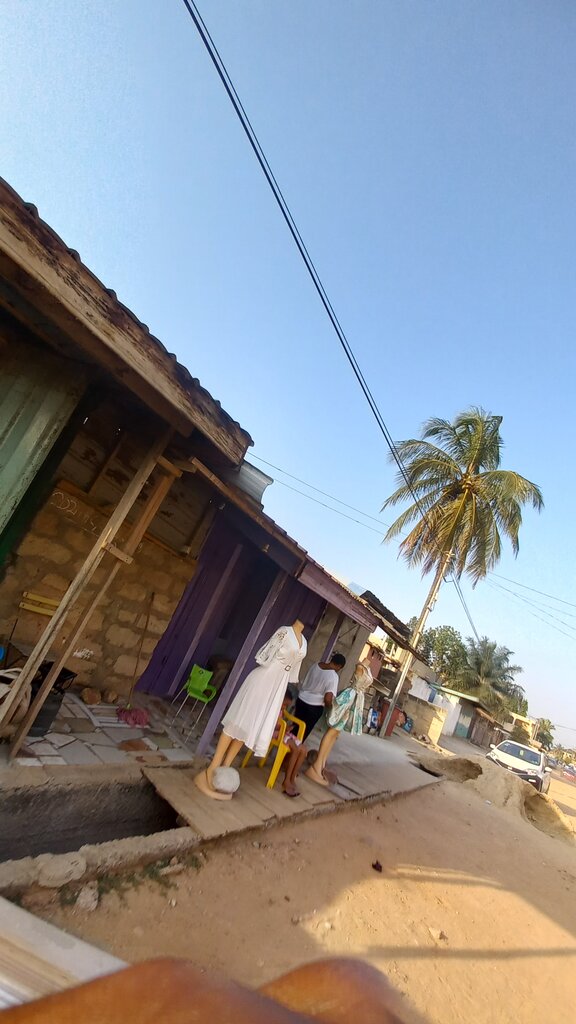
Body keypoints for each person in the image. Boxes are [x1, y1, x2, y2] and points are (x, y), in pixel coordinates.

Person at [195, 621, 307, 800]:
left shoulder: (305, 641)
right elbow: (266, 655)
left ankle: (225, 769)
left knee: (247, 729)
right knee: (237, 722)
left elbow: (293, 670)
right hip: (263, 680)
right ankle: (212, 768)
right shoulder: (284, 632)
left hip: (277, 687)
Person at [306, 660, 373, 787]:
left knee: (335, 734)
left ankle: (321, 764)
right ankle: (317, 765)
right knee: (332, 730)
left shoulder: (367, 668)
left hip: (355, 700)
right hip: (349, 699)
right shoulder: (360, 666)